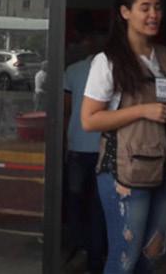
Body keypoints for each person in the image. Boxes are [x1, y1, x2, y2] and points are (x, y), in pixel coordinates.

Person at [81, 0, 166, 274]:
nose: (154, 14)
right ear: (125, 13)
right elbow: (89, 120)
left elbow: (165, 103)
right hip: (126, 172)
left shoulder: (165, 56)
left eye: (157, 8)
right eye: (145, 8)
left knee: (153, 253)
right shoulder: (108, 61)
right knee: (125, 257)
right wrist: (142, 110)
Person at [64, 50, 106, 273]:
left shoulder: (73, 70)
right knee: (98, 207)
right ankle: (95, 259)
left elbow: (65, 109)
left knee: (75, 202)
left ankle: (77, 248)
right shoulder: (113, 69)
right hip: (104, 149)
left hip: (77, 147)